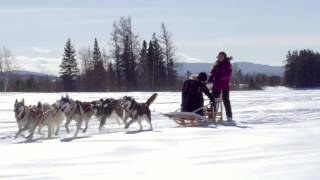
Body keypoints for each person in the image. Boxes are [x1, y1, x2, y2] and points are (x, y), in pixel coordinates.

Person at [209, 51, 233, 121]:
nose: (220, 58)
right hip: (216, 85)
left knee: (226, 100)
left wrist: (220, 77)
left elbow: (228, 75)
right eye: (219, 57)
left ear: (224, 57)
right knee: (213, 100)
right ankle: (211, 115)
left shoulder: (228, 64)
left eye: (221, 57)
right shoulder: (216, 64)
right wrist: (210, 77)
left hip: (224, 85)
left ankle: (229, 116)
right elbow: (212, 72)